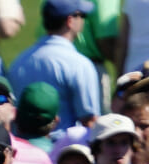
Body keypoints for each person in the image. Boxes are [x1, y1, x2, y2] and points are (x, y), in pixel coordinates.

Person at [7, 0, 103, 129]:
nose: (83, 21)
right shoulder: (80, 64)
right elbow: (89, 120)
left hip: (23, 145)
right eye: (81, 16)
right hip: (64, 146)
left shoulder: (19, 62)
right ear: (70, 21)